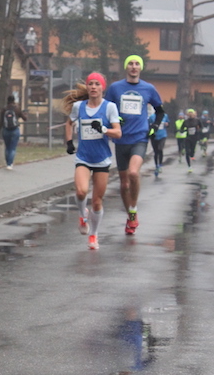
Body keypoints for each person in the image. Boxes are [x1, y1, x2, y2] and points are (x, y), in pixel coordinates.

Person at [105, 55, 164, 235]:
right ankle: (131, 214)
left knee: (133, 173)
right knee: (124, 184)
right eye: (130, 63)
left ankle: (133, 208)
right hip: (121, 139)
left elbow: (160, 111)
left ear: (140, 68)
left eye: (137, 64)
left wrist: (154, 126)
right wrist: (114, 120)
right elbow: (106, 109)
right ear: (126, 67)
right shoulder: (115, 88)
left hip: (140, 138)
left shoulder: (148, 88)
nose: (133, 66)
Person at [64, 72, 121, 249]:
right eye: (91, 84)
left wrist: (103, 129)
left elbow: (118, 132)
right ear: (87, 87)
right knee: (81, 191)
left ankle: (94, 235)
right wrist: (69, 142)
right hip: (83, 157)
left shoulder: (109, 107)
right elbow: (69, 123)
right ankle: (83, 215)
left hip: (102, 159)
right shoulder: (79, 107)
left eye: (97, 84)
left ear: (103, 87)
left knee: (97, 201)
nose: (93, 87)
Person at [0, 94, 27, 169]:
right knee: (12, 148)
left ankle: (7, 163)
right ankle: (10, 164)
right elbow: (25, 118)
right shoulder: (17, 108)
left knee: (7, 147)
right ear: (14, 100)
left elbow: (1, 122)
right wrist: (24, 114)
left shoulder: (4, 109)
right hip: (15, 130)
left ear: (7, 100)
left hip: (6, 130)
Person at [148, 106, 169, 176]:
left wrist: (167, 124)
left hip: (163, 135)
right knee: (156, 152)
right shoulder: (151, 117)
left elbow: (168, 123)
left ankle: (160, 165)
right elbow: (148, 125)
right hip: (154, 136)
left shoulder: (165, 116)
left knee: (160, 149)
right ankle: (156, 165)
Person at [182, 108, 202, 172]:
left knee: (192, 152)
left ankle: (192, 155)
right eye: (189, 113)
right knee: (187, 152)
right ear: (187, 114)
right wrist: (183, 130)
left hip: (194, 138)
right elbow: (182, 128)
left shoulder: (197, 120)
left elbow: (201, 127)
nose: (190, 114)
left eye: (191, 113)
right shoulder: (185, 121)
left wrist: (198, 130)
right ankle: (189, 167)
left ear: (193, 114)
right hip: (188, 138)